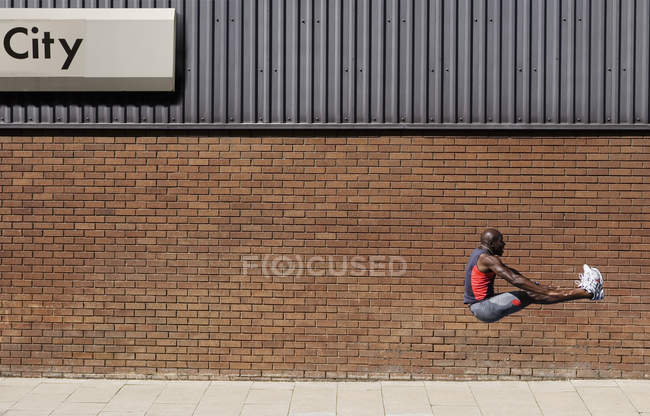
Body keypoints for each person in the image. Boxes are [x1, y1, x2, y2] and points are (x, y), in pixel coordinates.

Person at [464, 228, 604, 323]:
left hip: (485, 304)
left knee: (532, 292)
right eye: (501, 241)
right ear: (492, 243)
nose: (504, 244)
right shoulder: (487, 259)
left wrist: (537, 286)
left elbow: (513, 273)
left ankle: (586, 292)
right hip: (483, 307)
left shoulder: (480, 255)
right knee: (531, 295)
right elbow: (514, 279)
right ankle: (588, 292)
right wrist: (546, 291)